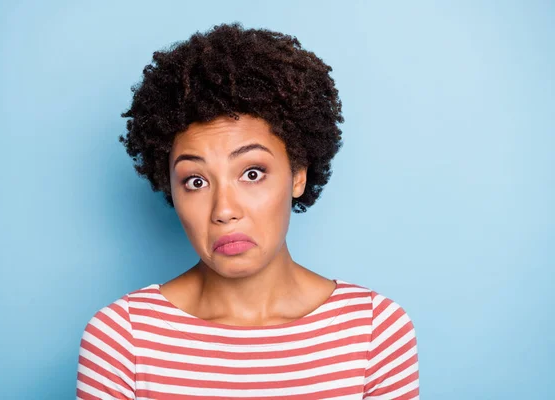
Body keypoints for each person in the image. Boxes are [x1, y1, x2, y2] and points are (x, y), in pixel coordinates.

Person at [75, 22, 419, 399]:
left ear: (298, 176)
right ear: (170, 188)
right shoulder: (123, 340)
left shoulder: (373, 332)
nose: (224, 210)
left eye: (252, 173)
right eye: (195, 181)